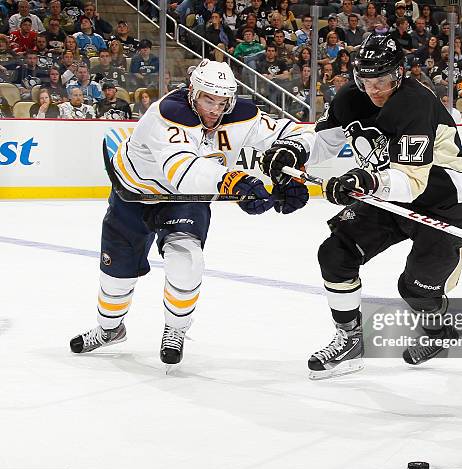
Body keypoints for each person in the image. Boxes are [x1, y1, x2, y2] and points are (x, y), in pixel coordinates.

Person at [260, 33, 462, 379]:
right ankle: (350, 341)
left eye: (384, 80)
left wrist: (364, 182)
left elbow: (412, 182)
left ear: (400, 74)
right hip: (389, 195)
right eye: (367, 81)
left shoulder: (414, 104)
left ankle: (440, 331)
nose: (375, 89)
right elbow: (324, 140)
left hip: (447, 203)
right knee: (336, 253)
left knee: (415, 288)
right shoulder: (350, 99)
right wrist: (293, 149)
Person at [69, 60, 313, 367]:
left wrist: (291, 169)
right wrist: (233, 182)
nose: (215, 109)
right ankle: (109, 330)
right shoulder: (167, 113)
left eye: (222, 102)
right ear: (192, 92)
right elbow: (181, 170)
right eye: (208, 99)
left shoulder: (241, 115)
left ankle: (176, 328)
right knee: (115, 279)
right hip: (134, 196)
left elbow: (298, 135)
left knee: (186, 260)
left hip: (185, 198)